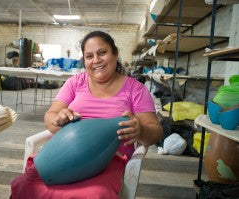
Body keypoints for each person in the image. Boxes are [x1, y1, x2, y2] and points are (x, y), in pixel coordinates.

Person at [10, 31, 163, 199]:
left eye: (102, 53)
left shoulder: (135, 89)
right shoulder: (76, 83)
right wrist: (59, 119)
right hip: (62, 154)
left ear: (115, 54)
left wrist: (140, 130)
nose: (96, 60)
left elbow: (155, 132)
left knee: (96, 194)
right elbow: (50, 116)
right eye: (89, 56)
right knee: (25, 185)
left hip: (109, 160)